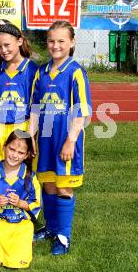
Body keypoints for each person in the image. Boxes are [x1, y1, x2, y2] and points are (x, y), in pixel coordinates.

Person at [29, 20, 92, 256]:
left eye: (61, 41)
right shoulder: (41, 72)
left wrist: (71, 140)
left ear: (72, 43)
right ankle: (51, 227)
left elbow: (82, 110)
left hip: (65, 140)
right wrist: (30, 136)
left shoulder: (75, 71)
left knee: (64, 187)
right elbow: (35, 108)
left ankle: (63, 237)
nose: (55, 46)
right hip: (44, 140)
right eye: (51, 41)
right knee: (48, 183)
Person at [0, 130, 41, 269]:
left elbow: (36, 203)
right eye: (12, 149)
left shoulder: (29, 176)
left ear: (26, 155)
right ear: (4, 146)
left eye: (20, 153)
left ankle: (27, 239)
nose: (14, 155)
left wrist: (21, 203)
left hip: (21, 225)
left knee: (18, 263)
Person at [0, 23, 38, 169]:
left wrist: (31, 134)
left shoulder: (33, 71)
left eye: (7, 45)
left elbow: (36, 106)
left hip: (21, 127)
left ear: (19, 41)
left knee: (19, 175)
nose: (3, 50)